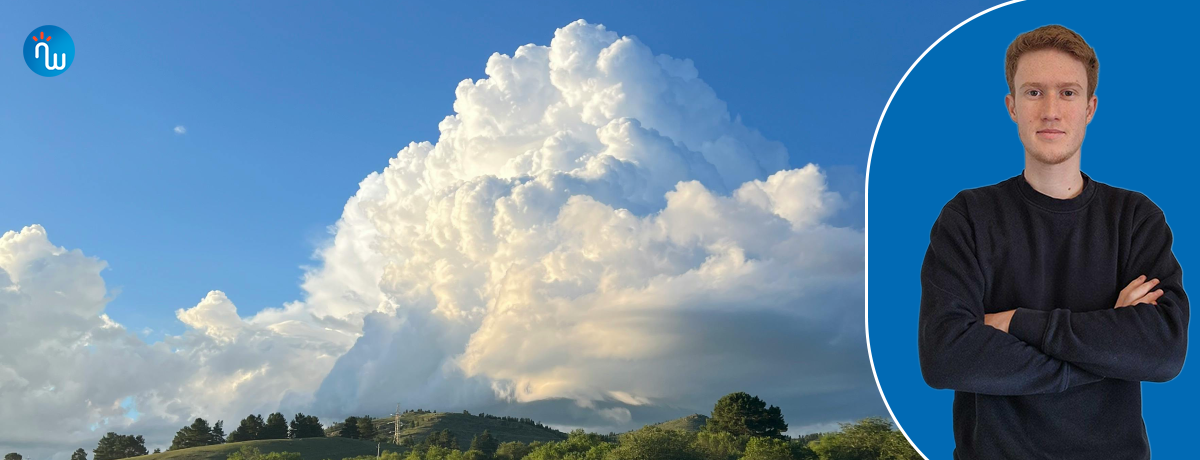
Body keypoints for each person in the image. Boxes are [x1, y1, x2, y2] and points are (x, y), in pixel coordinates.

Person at [917, 24, 1188, 459]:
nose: (1050, 111)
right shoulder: (967, 217)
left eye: (1067, 93)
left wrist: (1015, 323)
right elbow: (946, 356)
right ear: (1011, 106)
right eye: (1033, 92)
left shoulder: (1136, 219)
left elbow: (1162, 352)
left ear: (1089, 108)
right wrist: (1105, 348)